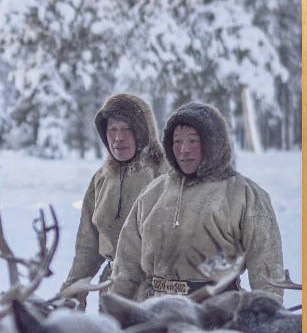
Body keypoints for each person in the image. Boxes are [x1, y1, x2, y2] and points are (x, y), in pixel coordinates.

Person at [110, 101, 284, 302]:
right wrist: (118, 307)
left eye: (193, 141)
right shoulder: (153, 193)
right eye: (177, 141)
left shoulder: (245, 194)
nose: (184, 149)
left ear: (213, 143)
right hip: (155, 310)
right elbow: (127, 263)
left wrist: (266, 311)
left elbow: (267, 268)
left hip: (218, 312)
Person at [60, 93, 168, 307]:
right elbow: (88, 246)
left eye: (127, 129)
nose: (118, 137)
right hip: (112, 287)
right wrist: (73, 288)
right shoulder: (101, 179)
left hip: (156, 290)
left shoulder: (165, 175)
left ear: (142, 132)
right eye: (112, 130)